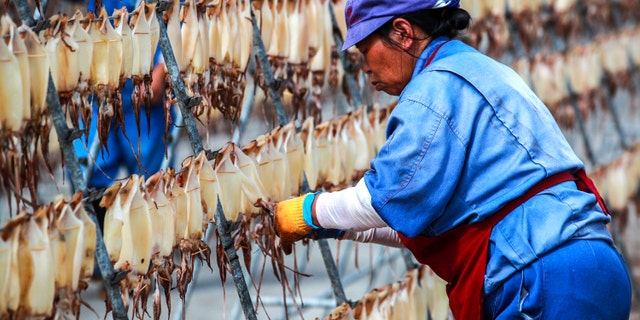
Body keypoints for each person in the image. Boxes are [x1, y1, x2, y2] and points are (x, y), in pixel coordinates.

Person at [274, 0, 632, 319]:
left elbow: (390, 196)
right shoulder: (482, 68)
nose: (364, 68)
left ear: (402, 32)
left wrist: (307, 211)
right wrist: (339, 225)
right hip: (594, 264)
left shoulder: (433, 89)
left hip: (539, 278)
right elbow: (437, 214)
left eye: (365, 49)